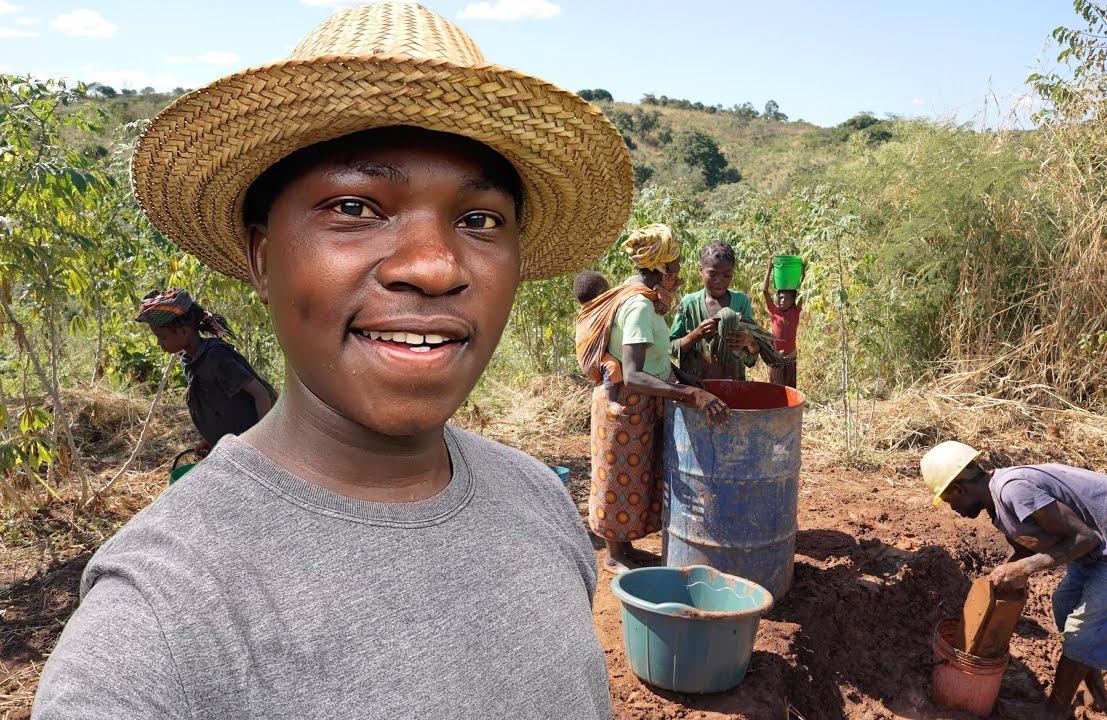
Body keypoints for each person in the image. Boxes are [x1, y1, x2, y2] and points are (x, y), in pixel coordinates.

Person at [34, 3, 633, 718]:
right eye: (354, 207)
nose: (435, 267)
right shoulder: (158, 623)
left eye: (479, 220)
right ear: (263, 259)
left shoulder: (538, 501)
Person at [921, 441, 1107, 719]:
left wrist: (1026, 568)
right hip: (1101, 547)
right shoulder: (997, 505)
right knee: (1065, 604)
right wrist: (998, 580)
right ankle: (1097, 694)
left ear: (959, 489)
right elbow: (1026, 545)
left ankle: (1053, 711)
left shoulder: (1013, 489)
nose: (953, 509)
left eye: (949, 501)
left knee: (1081, 629)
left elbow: (1084, 538)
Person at [575, 224, 728, 574]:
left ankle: (625, 548)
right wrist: (690, 393)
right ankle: (614, 554)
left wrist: (681, 375)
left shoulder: (643, 296)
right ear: (658, 269)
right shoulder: (639, 307)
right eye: (673, 268)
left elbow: (655, 355)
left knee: (634, 476)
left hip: (641, 403)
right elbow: (633, 373)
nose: (677, 275)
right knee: (617, 476)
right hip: (626, 403)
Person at [135, 288, 277, 457]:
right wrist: (212, 440)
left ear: (184, 331)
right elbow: (220, 406)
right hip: (237, 447)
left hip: (255, 444)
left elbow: (261, 394)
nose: (159, 343)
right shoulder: (190, 361)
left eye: (162, 337)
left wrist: (263, 445)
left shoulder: (216, 357)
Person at [670, 241, 760, 381]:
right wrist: (695, 335)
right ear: (701, 270)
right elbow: (671, 348)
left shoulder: (741, 302)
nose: (719, 281)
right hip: (697, 390)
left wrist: (748, 341)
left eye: (727, 275)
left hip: (733, 386)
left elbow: (751, 357)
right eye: (712, 275)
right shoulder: (689, 304)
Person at [573, 271, 627, 418]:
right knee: (612, 366)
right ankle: (611, 401)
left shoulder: (589, 310)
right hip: (595, 361)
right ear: (602, 294)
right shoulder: (597, 310)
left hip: (592, 359)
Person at [762, 258, 802, 388]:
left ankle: (790, 409)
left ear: (792, 300)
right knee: (776, 389)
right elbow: (764, 290)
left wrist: (803, 270)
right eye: (780, 297)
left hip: (791, 356)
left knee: (790, 388)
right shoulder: (774, 311)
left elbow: (803, 292)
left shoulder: (795, 311)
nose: (782, 300)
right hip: (776, 357)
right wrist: (769, 268)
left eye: (786, 298)